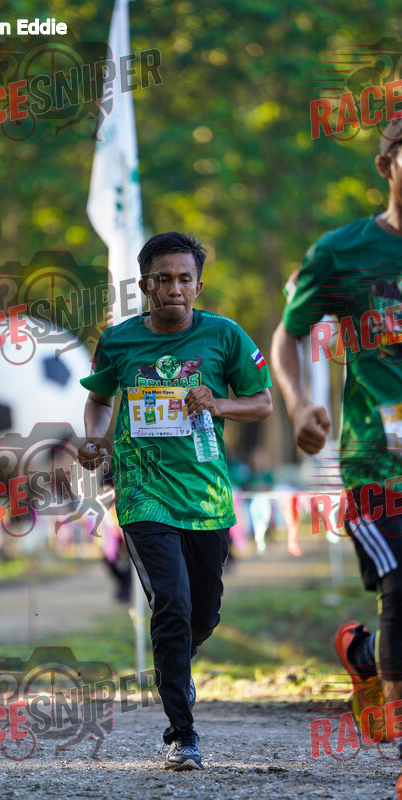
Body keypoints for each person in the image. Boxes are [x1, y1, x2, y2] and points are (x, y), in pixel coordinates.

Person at [78, 232, 272, 770]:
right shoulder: (118, 341)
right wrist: (94, 439)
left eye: (185, 279)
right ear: (145, 285)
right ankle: (181, 735)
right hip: (142, 490)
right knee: (172, 602)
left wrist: (218, 403)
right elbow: (99, 400)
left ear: (198, 286)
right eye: (163, 279)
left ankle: (174, 665)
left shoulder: (224, 335)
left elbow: (262, 402)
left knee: (202, 614)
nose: (175, 289)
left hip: (206, 495)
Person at [271, 119, 402, 784]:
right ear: (386, 164)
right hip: (377, 461)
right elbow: (289, 333)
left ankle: (366, 656)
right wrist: (299, 405)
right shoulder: (341, 252)